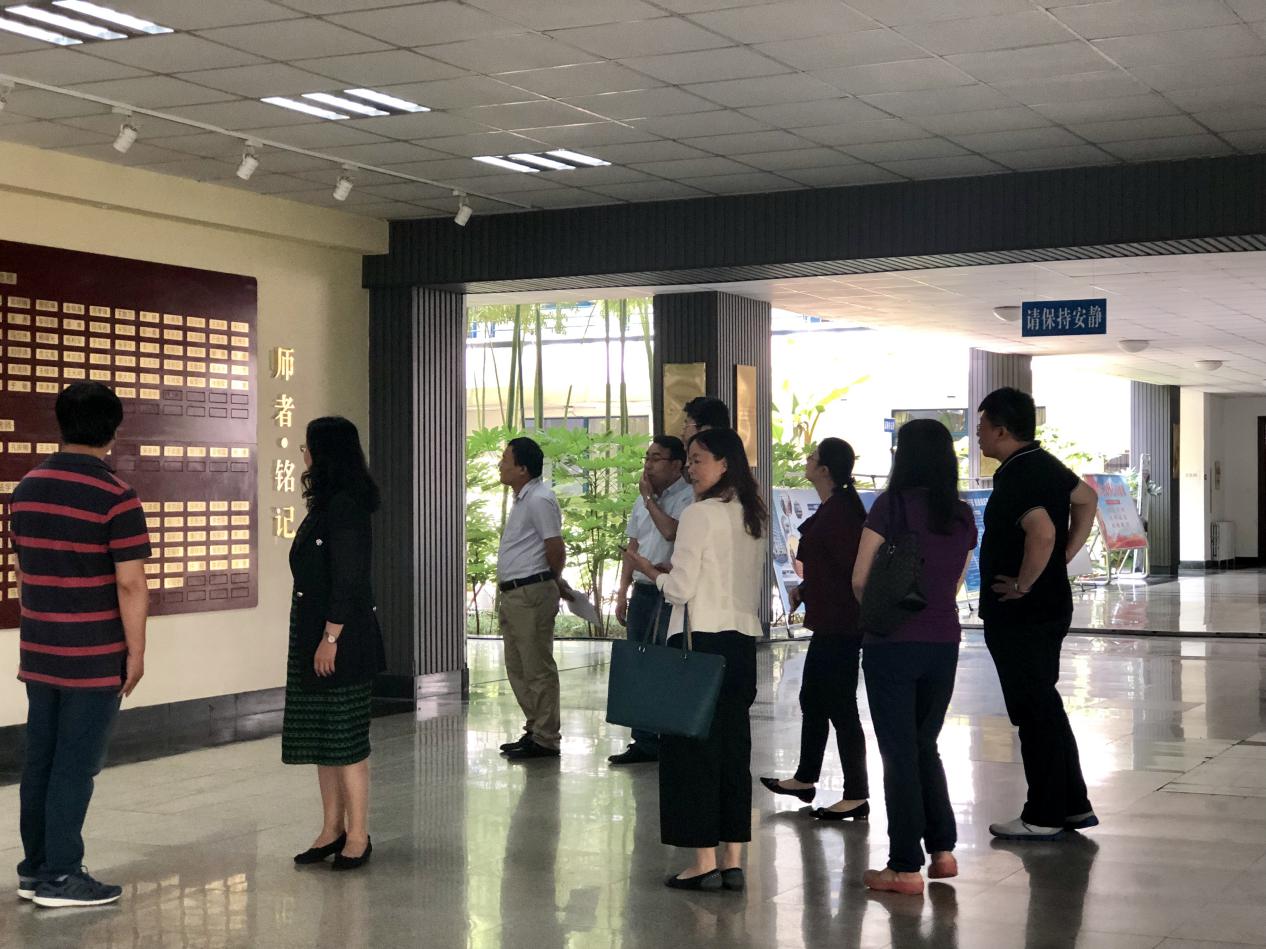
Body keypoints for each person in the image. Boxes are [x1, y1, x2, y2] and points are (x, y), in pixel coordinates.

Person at [13, 382, 151, 908]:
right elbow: (130, 584)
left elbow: (23, 570)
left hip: (40, 650)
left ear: (61, 423)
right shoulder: (116, 496)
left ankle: (35, 870)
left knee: (41, 762)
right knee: (75, 765)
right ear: (113, 429)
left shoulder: (26, 488)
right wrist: (136, 653)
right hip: (93, 656)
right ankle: (62, 875)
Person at [627, 428, 766, 892]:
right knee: (733, 753)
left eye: (699, 459)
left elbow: (681, 589)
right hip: (741, 645)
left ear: (725, 463)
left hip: (698, 643)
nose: (691, 467)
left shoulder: (698, 514)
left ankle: (702, 860)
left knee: (691, 754)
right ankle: (733, 859)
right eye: (688, 459)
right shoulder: (752, 514)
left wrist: (649, 571)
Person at [853, 419, 977, 896]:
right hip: (943, 642)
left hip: (892, 645)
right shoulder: (961, 515)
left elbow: (861, 578)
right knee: (925, 743)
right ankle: (942, 850)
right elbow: (956, 580)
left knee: (899, 752)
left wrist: (880, 615)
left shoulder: (891, 507)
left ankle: (904, 866)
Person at [976, 387, 1099, 841]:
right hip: (1049, 606)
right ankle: (1072, 806)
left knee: (1033, 711)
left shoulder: (1019, 475)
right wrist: (1065, 556)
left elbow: (1041, 532)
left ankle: (1044, 813)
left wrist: (1025, 582)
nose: (978, 435)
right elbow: (1087, 499)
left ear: (1002, 430)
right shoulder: (1045, 464)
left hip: (1023, 613)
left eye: (982, 427)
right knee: (1045, 706)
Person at [285, 417, 385, 871]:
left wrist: (331, 637)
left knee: (346, 740)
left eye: (307, 447)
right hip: (314, 634)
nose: (304, 454)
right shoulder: (326, 504)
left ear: (325, 453)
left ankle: (358, 835)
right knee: (323, 739)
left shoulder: (347, 506)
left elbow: (349, 579)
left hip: (340, 638)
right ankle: (331, 829)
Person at [760, 438, 870, 820]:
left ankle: (856, 793)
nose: (806, 460)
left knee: (840, 706)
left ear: (824, 470)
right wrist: (806, 589)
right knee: (813, 699)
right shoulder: (834, 506)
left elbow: (850, 569)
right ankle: (805, 777)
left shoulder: (841, 512)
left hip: (841, 623)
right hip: (830, 620)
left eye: (813, 457)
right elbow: (830, 566)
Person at [610, 435, 693, 765]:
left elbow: (671, 532)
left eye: (656, 458)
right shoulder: (641, 500)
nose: (648, 465)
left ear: (676, 465)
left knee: (664, 665)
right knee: (639, 665)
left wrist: (649, 500)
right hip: (643, 591)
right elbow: (633, 548)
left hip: (669, 592)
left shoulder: (688, 498)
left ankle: (667, 738)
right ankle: (643, 741)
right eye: (646, 458)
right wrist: (622, 592)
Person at [496, 436, 575, 761]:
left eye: (506, 460)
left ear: (523, 469)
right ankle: (535, 728)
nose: (500, 465)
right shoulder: (523, 499)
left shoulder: (540, 499)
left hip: (531, 591)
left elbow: (554, 546)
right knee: (518, 665)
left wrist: (553, 579)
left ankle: (546, 738)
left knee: (537, 666)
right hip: (515, 593)